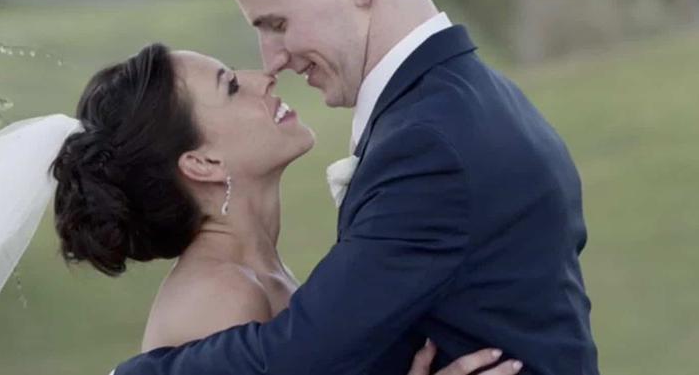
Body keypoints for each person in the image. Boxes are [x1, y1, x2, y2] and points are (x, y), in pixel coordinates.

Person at [113, 0, 599, 374]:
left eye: (277, 23)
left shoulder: (427, 144)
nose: (272, 61)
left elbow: (305, 354)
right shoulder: (474, 101)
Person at [51, 43, 518, 375]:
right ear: (203, 163)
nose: (264, 77)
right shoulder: (217, 297)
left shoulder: (257, 272)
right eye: (231, 86)